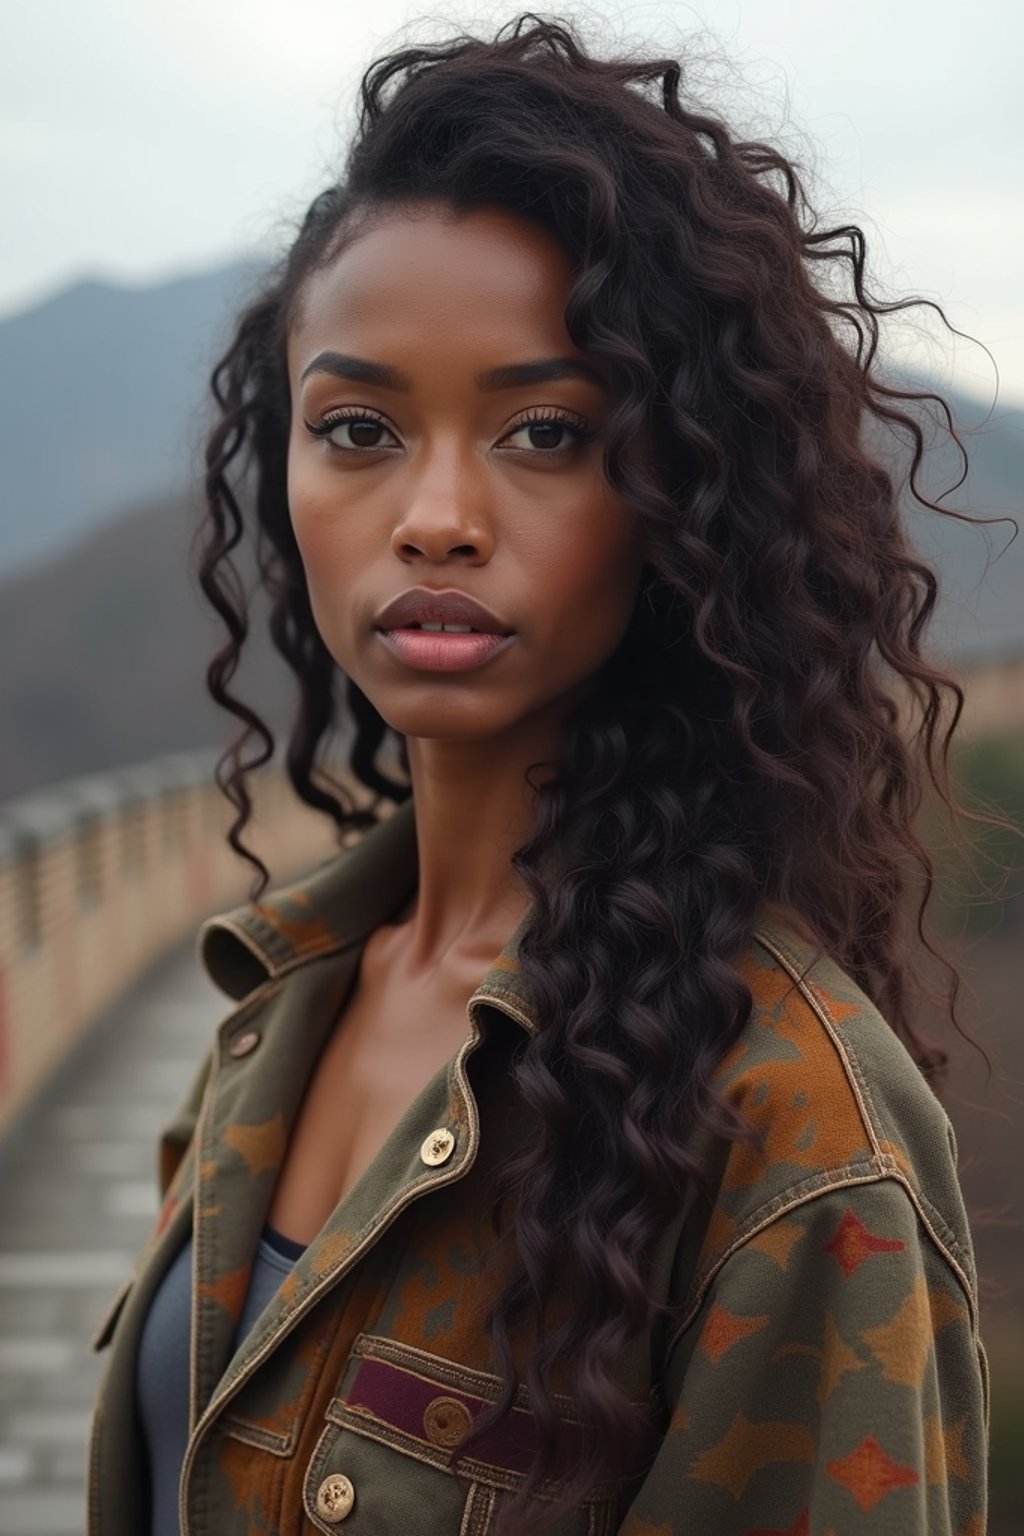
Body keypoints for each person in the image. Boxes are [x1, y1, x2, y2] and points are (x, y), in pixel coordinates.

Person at [87, 15, 992, 1535]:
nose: (435, 515)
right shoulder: (283, 1004)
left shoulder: (787, 1131)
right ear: (284, 471)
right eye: (359, 428)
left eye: (547, 432)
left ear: (681, 497)